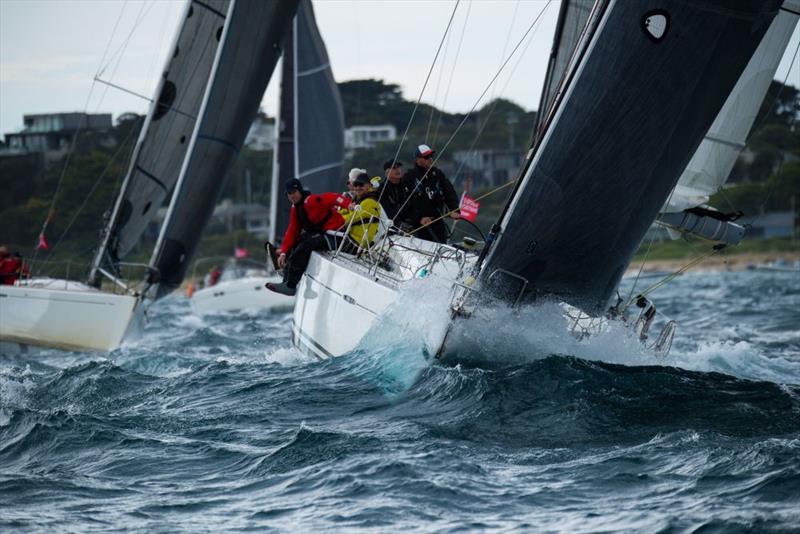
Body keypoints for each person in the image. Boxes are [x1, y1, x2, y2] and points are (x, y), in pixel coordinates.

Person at [266, 178, 350, 296]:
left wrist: (349, 205)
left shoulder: (312, 200)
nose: (292, 196)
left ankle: (290, 286)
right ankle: (286, 278)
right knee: (297, 242)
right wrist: (284, 252)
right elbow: (292, 231)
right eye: (289, 193)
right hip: (322, 234)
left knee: (304, 247)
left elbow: (333, 197)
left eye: (294, 192)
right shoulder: (295, 208)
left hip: (335, 236)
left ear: (299, 190)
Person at [402, 144, 460, 243]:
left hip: (438, 222)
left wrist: (454, 209)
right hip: (419, 226)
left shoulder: (437, 174)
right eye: (426, 157)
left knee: (442, 249)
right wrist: (419, 218)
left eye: (431, 156)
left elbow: (449, 192)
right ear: (417, 160)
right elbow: (405, 203)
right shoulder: (409, 177)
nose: (430, 159)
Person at [340, 172, 382, 251]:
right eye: (355, 184)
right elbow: (345, 212)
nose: (358, 187)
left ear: (369, 185)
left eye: (361, 184)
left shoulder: (369, 202)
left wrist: (334, 218)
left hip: (355, 243)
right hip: (349, 238)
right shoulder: (358, 200)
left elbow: (350, 219)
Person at [378, 159, 413, 229]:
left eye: (398, 167)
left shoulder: (407, 184)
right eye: (394, 168)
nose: (397, 170)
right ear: (386, 173)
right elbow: (386, 210)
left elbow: (413, 204)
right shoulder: (382, 189)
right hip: (392, 226)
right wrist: (399, 223)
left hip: (411, 223)